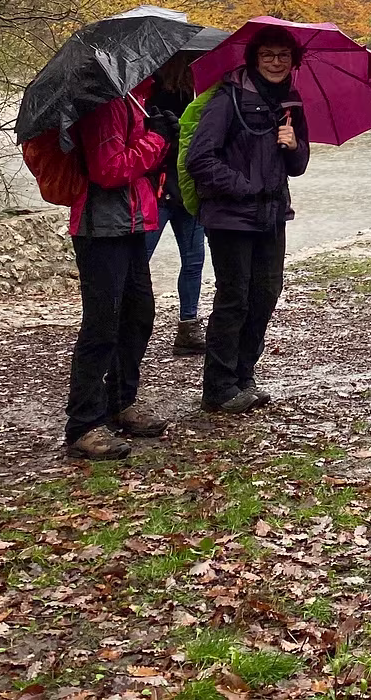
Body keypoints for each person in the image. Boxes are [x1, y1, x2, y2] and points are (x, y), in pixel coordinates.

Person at [187, 25, 310, 414]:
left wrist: (294, 145)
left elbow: (298, 166)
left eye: (283, 56)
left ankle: (243, 375)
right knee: (234, 298)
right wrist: (244, 187)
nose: (276, 62)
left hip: (272, 215)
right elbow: (199, 159)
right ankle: (219, 386)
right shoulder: (229, 98)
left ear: (294, 61)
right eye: (267, 55)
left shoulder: (291, 103)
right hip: (230, 217)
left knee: (265, 294)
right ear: (254, 59)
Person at [62, 84, 170, 460]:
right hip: (101, 228)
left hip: (131, 222)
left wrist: (157, 137)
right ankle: (83, 424)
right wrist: (157, 139)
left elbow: (137, 163)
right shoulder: (103, 104)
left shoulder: (130, 99)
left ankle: (121, 402)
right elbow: (109, 169)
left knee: (138, 315)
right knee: (102, 325)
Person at [143, 52, 208, 356]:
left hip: (182, 188)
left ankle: (188, 325)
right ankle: (183, 325)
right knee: (144, 259)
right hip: (164, 187)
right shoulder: (154, 91)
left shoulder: (197, 93)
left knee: (192, 259)